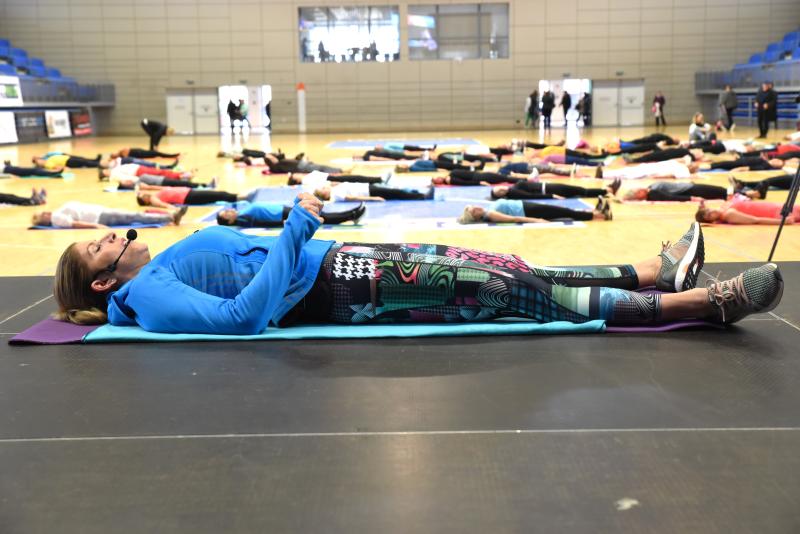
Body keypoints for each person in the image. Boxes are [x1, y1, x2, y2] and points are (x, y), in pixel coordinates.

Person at [52, 192, 785, 332]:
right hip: (339, 287)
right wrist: (296, 227)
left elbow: (244, 257)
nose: (112, 235)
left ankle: (651, 273)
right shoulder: (148, 298)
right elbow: (244, 319)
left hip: (345, 259)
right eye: (98, 246)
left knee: (508, 269)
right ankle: (701, 304)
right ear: (105, 281)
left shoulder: (158, 265)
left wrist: (289, 228)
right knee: (512, 293)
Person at [457, 197, 613, 224]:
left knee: (563, 210)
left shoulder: (487, 209)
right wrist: (537, 220)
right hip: (528, 211)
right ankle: (600, 216)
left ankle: (596, 212)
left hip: (526, 206)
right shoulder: (491, 214)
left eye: (473, 206)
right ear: (476, 217)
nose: (476, 208)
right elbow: (514, 219)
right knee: (564, 212)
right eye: (473, 211)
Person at [32, 201, 185, 229]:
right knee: (135, 216)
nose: (46, 212)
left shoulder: (57, 213)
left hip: (100, 213)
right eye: (42, 214)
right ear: (44, 219)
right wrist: (96, 226)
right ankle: (171, 217)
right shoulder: (56, 218)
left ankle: (170, 217)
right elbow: (75, 224)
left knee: (134, 216)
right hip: (100, 217)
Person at [216, 201, 366, 227]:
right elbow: (260, 223)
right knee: (320, 217)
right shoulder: (243, 219)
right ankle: (352, 215)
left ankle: (352, 213)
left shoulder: (241, 211)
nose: (228, 211)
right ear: (229, 221)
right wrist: (280, 223)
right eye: (226, 214)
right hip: (282, 216)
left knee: (320, 214)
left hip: (282, 209)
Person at [695, 197, 800, 225]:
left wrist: (702, 207)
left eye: (709, 210)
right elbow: (756, 220)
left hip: (773, 206)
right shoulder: (729, 215)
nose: (712, 212)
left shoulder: (723, 207)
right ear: (712, 220)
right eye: (709, 215)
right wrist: (783, 222)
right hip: (776, 213)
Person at [491, 178, 621, 200]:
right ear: (501, 196)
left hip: (549, 186)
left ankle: (607, 189)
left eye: (499, 188)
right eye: (499, 192)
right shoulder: (514, 193)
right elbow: (531, 196)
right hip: (551, 190)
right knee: (581, 191)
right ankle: (608, 190)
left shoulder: (512, 188)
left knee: (579, 190)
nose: (502, 189)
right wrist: (552, 196)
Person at [313, 181, 432, 202]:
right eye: (322, 190)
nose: (325, 188)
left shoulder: (334, 189)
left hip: (368, 187)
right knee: (396, 193)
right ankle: (422, 196)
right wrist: (373, 198)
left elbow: (331, 183)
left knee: (395, 191)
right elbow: (353, 198)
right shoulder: (336, 194)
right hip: (370, 192)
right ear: (324, 194)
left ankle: (417, 194)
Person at [136, 187, 252, 208]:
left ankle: (237, 196)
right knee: (217, 195)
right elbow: (164, 205)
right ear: (145, 201)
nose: (144, 194)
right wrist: (173, 208)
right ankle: (239, 197)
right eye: (142, 196)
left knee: (216, 194)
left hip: (189, 193)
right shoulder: (153, 199)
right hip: (188, 197)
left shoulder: (154, 195)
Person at [622, 182, 728, 202]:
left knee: (722, 191)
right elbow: (670, 197)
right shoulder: (653, 192)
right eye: (639, 191)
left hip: (690, 187)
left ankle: (737, 191)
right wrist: (692, 198)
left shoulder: (652, 188)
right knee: (722, 192)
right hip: (690, 189)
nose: (641, 188)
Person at [33, 152, 101, 170]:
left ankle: (95, 161)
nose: (40, 160)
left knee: (82, 159)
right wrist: (65, 168)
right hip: (68, 162)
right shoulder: (47, 164)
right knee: (84, 162)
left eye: (39, 160)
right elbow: (56, 167)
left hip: (67, 158)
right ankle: (98, 164)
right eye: (39, 162)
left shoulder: (47, 159)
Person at [109, 147, 180, 159]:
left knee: (156, 153)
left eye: (114, 154)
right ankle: (172, 156)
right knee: (156, 154)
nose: (115, 155)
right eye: (114, 156)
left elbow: (126, 157)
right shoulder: (120, 155)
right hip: (141, 155)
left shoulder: (122, 151)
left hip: (141, 153)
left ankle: (172, 156)